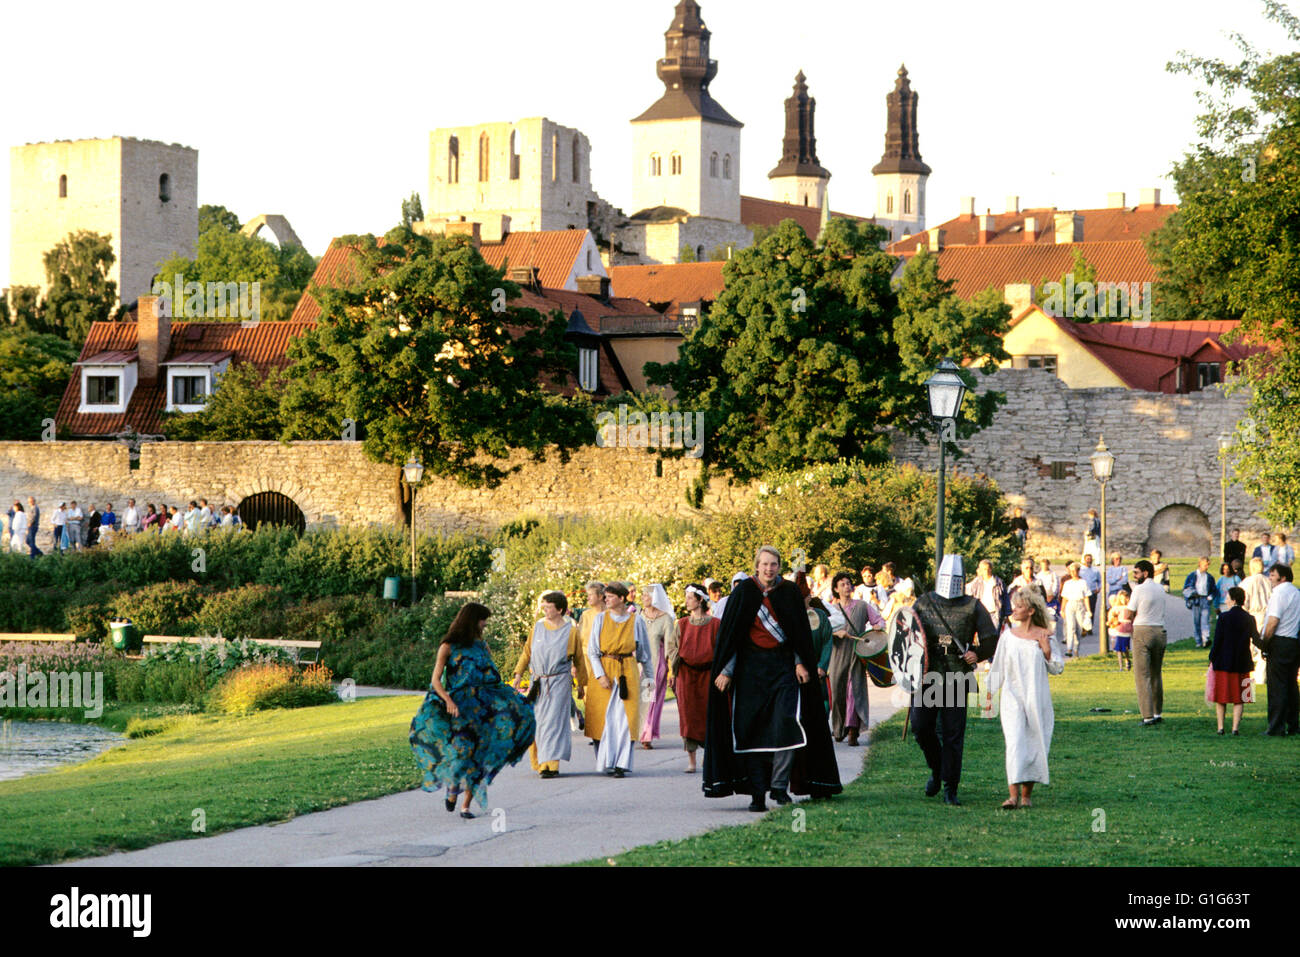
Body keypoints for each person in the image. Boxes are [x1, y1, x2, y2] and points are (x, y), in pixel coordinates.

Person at [704, 545, 842, 811]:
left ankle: (778, 786)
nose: (769, 569)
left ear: (779, 566)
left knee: (785, 726)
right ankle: (757, 792)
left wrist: (801, 662)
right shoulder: (743, 593)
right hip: (750, 672)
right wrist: (726, 670)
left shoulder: (788, 593)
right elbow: (733, 639)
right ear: (757, 565)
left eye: (774, 564)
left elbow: (798, 636)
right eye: (765, 564)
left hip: (782, 670)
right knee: (751, 731)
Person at [409, 602, 535, 818]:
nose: (484, 624)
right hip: (459, 708)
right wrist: (448, 700)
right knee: (462, 752)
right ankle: (452, 789)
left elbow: (492, 677)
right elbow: (436, 681)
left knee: (480, 755)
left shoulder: (482, 646)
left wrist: (511, 698)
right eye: (482, 620)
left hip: (484, 708)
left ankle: (466, 806)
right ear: (472, 620)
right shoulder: (448, 647)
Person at [909, 555, 999, 807]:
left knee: (952, 734)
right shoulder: (924, 602)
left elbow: (990, 637)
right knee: (920, 726)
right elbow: (908, 634)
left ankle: (950, 787)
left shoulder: (973, 605)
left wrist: (977, 653)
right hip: (928, 675)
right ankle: (937, 769)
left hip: (956, 676)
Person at [989, 587, 1055, 809]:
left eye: (1018, 607)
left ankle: (1027, 795)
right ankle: (1013, 795)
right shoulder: (1008, 636)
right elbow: (997, 666)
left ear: (1030, 610)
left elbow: (1057, 668)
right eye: (1013, 606)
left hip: (1037, 697)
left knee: (1036, 741)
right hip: (1012, 696)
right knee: (1016, 741)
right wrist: (987, 696)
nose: (1014, 610)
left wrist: (1046, 651)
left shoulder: (1044, 634)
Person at [511, 590, 586, 778]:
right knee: (536, 722)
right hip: (538, 681)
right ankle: (539, 762)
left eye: (549, 607)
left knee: (553, 723)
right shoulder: (537, 627)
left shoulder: (571, 631)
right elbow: (527, 652)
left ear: (559, 609)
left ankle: (551, 765)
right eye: (543, 607)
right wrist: (518, 673)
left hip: (559, 681)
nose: (545, 610)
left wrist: (582, 685)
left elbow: (579, 660)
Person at [584, 581, 650, 777]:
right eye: (605, 596)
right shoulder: (600, 619)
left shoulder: (636, 621)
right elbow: (592, 651)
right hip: (605, 668)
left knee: (624, 719)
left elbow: (644, 654)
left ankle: (621, 763)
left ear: (622, 598)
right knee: (603, 718)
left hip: (626, 671)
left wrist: (650, 681)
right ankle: (606, 762)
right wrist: (600, 675)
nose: (606, 600)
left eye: (611, 596)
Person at [827, 570, 885, 746]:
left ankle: (853, 730)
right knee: (838, 692)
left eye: (848, 583)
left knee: (854, 692)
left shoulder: (862, 606)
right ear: (836, 589)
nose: (847, 586)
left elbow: (879, 620)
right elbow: (823, 632)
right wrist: (836, 633)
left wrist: (877, 627)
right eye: (842, 584)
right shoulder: (830, 610)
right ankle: (839, 728)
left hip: (857, 654)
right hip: (837, 655)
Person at [667, 584, 719, 773]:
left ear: (700, 600)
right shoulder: (682, 624)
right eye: (687, 597)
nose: (687, 601)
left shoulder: (715, 624)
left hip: (708, 673)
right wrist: (675, 669)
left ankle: (708, 757)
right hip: (687, 674)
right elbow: (672, 647)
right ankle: (691, 760)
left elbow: (720, 649)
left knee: (707, 714)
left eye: (690, 598)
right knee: (688, 715)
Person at [1122, 559, 1167, 727]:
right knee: (1156, 673)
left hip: (1142, 630)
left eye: (1136, 572)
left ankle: (1147, 715)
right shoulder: (1160, 588)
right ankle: (1157, 712)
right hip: (1160, 630)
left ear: (1145, 573)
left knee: (1142, 675)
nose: (1135, 576)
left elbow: (1128, 614)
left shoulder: (1139, 589)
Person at [1207, 586, 1257, 735]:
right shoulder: (1250, 618)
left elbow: (1217, 642)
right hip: (1243, 663)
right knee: (1240, 698)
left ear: (1233, 600)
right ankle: (1235, 728)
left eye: (1228, 598)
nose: (1226, 600)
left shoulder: (1223, 617)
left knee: (1221, 698)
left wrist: (1211, 658)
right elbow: (1256, 639)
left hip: (1224, 662)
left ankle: (1220, 727)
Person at [1259, 564, 1300, 737]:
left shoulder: (1279, 593)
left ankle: (1276, 726)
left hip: (1280, 642)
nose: (1269, 577)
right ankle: (1293, 724)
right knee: (1291, 685)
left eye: (1272, 574)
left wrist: (1264, 643)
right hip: (1294, 642)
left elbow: (1273, 621)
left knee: (1277, 686)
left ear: (1282, 578)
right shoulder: (1297, 593)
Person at [638, 583, 675, 750]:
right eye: (643, 595)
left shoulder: (665, 619)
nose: (643, 598)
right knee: (641, 700)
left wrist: (671, 670)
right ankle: (640, 731)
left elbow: (669, 645)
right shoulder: (639, 616)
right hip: (639, 664)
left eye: (647, 595)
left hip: (656, 665)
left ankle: (646, 734)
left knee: (651, 700)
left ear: (655, 598)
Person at [1242, 556, 1272, 686]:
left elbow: (1243, 601)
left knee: (1248, 646)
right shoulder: (1269, 582)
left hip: (1252, 615)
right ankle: (1260, 676)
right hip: (1266, 616)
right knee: (1263, 646)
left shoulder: (1246, 582)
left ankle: (1248, 675)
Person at [1058, 561, 1092, 658]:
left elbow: (1086, 597)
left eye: (1075, 571)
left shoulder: (1083, 582)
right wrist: (1062, 609)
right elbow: (1064, 597)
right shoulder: (1067, 583)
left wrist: (1088, 610)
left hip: (1079, 604)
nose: (1073, 573)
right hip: (1070, 604)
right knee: (1071, 627)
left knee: (1079, 628)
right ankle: (1069, 648)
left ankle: (1076, 649)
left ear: (1078, 571)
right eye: (1071, 571)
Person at [1183, 556, 1216, 649]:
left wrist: (1210, 597)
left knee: (1205, 620)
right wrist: (1192, 593)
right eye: (1205, 565)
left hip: (1205, 599)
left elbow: (1213, 589)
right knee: (1196, 621)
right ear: (1200, 564)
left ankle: (1206, 639)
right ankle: (1198, 641)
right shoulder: (1192, 576)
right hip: (1196, 600)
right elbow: (1186, 587)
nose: (1206, 567)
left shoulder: (1209, 577)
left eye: (1207, 565)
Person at [966, 559, 1006, 631]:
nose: (986, 571)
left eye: (988, 569)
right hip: (981, 613)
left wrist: (1007, 614)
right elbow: (968, 592)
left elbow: (1005, 598)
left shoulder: (998, 582)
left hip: (994, 613)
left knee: (994, 635)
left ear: (991, 569)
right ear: (981, 570)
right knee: (981, 636)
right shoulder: (976, 582)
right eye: (984, 569)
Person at [1108, 588, 1133, 671]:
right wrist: (1112, 621)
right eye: (1121, 598)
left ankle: (1127, 659)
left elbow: (1132, 618)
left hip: (1127, 629)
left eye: (1125, 598)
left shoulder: (1130, 608)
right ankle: (1120, 666)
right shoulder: (1116, 608)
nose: (1123, 600)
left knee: (1125, 647)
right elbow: (1112, 616)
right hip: (1119, 628)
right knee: (1118, 648)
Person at [1079, 553, 1102, 629]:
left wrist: (1098, 588)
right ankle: (1083, 627)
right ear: (1084, 560)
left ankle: (1090, 627)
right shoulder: (1081, 570)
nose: (1089, 561)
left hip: (1092, 592)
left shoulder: (1095, 570)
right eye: (1087, 559)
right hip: (1082, 593)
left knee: (1091, 610)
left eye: (1090, 559)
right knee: (1083, 610)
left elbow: (1099, 581)